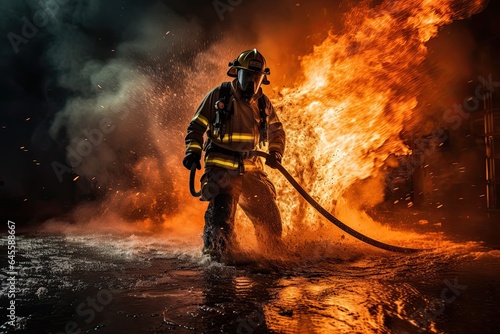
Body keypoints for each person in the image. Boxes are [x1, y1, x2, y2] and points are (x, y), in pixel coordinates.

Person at [182, 49, 286, 262]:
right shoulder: (219, 96)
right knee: (221, 216)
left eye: (255, 78)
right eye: (246, 76)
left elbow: (277, 129)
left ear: (262, 79)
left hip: (250, 168)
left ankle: (270, 254)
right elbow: (197, 125)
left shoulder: (263, 104)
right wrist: (193, 151)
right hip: (221, 168)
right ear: (236, 73)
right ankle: (215, 259)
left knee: (269, 216)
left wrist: (276, 151)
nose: (250, 83)